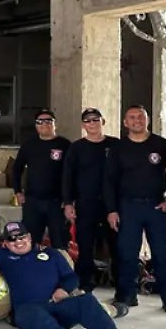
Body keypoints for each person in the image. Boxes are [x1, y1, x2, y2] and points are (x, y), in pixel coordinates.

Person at [0, 221, 131, 329]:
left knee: (86, 300)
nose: (18, 242)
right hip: (28, 309)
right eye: (12, 239)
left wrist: (63, 289)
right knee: (31, 314)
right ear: (5, 244)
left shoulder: (52, 254)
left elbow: (71, 277)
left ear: (29, 237)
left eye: (21, 237)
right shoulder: (0, 255)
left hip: (57, 304)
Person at [105, 105, 166, 314]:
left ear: (147, 120)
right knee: (127, 254)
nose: (136, 120)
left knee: (161, 255)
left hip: (156, 207)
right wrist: (112, 210)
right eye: (132, 117)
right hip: (128, 206)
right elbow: (109, 181)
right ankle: (126, 297)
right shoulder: (119, 148)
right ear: (125, 122)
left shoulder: (162, 145)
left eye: (141, 117)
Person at [62, 108, 120, 293]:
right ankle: (85, 284)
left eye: (96, 119)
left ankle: (120, 283)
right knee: (85, 245)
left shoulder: (116, 145)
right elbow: (67, 176)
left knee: (117, 244)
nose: (92, 123)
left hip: (113, 205)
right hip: (86, 203)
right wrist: (68, 202)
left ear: (103, 121)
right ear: (83, 125)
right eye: (87, 120)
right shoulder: (77, 147)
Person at [12, 109, 70, 248]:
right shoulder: (29, 145)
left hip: (57, 203)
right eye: (40, 122)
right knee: (30, 241)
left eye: (49, 121)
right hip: (33, 201)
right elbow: (16, 168)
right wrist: (18, 191)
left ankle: (61, 269)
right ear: (36, 126)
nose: (45, 124)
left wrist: (69, 199)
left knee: (60, 242)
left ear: (55, 124)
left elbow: (72, 173)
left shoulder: (65, 145)